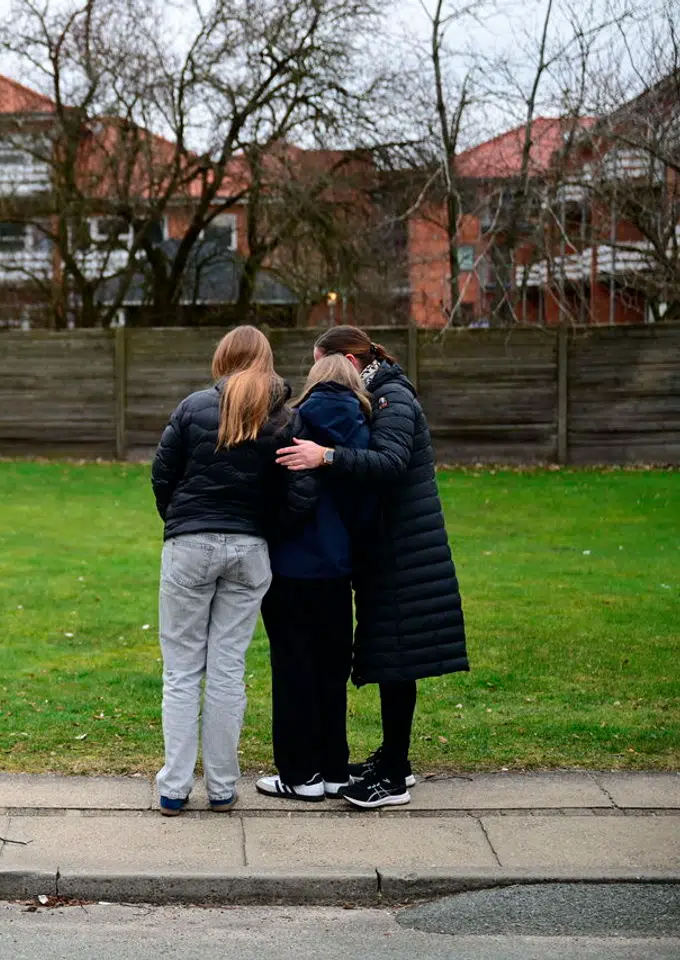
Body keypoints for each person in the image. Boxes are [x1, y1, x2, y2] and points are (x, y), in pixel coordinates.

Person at [276, 325, 468, 809]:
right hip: (389, 546)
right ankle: (392, 760)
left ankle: (394, 777)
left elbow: (390, 462)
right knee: (388, 653)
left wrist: (326, 456)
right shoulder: (379, 394)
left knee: (396, 656)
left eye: (322, 362)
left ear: (346, 360)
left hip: (405, 549)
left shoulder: (392, 396)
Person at [151, 325, 314, 816]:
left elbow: (163, 474)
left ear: (223, 357)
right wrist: (264, 529)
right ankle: (222, 787)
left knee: (181, 671)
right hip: (249, 550)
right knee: (227, 669)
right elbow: (301, 493)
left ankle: (174, 787)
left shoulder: (193, 406)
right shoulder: (286, 416)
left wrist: (181, 522)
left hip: (189, 545)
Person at [256, 354, 372, 803]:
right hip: (337, 568)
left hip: (292, 566)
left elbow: (281, 492)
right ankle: (335, 769)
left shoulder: (296, 422)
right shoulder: (362, 432)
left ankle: (300, 773)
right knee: (330, 671)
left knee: (292, 670)